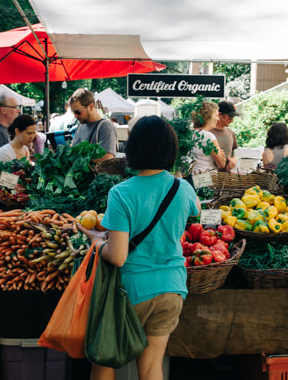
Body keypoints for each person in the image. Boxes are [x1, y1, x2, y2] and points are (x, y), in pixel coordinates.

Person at [76, 116, 200, 380]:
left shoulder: (121, 193)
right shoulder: (183, 187)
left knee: (104, 360)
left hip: (132, 292)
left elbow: (118, 256)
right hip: (172, 288)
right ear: (171, 150)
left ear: (133, 149)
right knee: (152, 369)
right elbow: (196, 211)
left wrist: (97, 242)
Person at [69, 88, 117, 162]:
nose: (75, 116)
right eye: (73, 113)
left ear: (91, 107)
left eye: (78, 112)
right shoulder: (80, 126)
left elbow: (107, 158)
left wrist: (78, 161)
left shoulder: (106, 126)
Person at [189, 101, 227, 174]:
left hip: (191, 176)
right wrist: (223, 156)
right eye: (216, 115)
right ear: (209, 117)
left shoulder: (189, 135)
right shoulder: (208, 137)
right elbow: (221, 163)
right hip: (207, 179)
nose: (218, 119)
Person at [210, 100, 239, 172]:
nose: (232, 120)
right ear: (220, 115)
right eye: (230, 117)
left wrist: (233, 160)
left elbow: (233, 154)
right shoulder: (207, 132)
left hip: (225, 179)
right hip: (209, 177)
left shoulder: (230, 132)